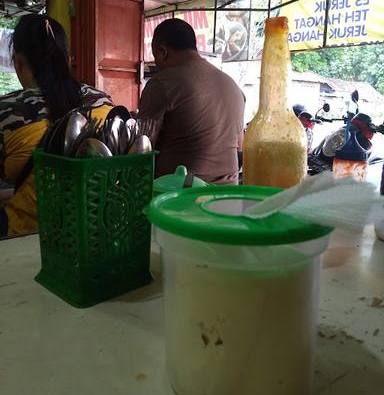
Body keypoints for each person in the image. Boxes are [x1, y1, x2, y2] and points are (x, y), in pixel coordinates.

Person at [0, 14, 113, 237]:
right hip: (97, 233)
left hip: (27, 239)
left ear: (18, 61)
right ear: (67, 60)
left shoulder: (6, 112)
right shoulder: (104, 103)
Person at [138, 18, 245, 184]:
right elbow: (240, 145)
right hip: (229, 195)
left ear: (162, 52)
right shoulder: (232, 85)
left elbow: (142, 146)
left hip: (181, 199)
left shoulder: (163, 82)